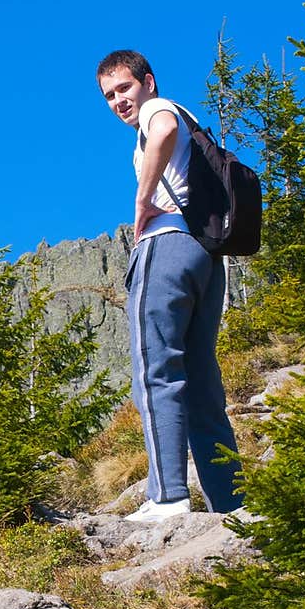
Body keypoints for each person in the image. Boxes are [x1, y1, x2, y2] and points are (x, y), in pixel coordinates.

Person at [96, 49, 241, 522]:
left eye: (124, 88)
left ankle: (167, 497)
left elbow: (163, 131)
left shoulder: (160, 111)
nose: (119, 101)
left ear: (148, 82)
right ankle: (232, 505)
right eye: (109, 95)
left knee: (154, 369)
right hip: (205, 256)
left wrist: (142, 202)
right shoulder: (188, 117)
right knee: (201, 383)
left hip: (167, 246)